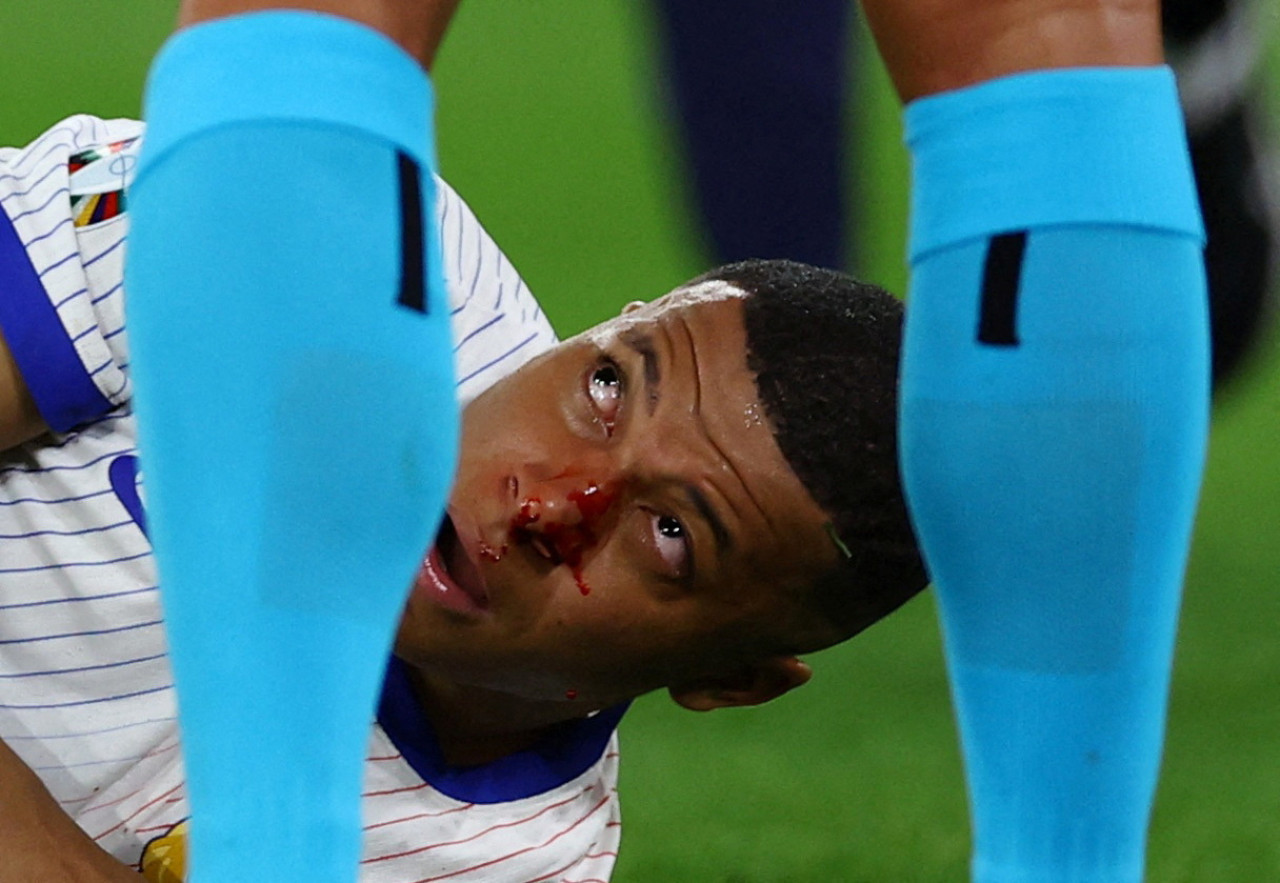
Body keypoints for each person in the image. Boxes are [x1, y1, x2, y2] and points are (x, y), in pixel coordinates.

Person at [0, 111, 926, 881]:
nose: (552, 506)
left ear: (729, 678)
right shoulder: (321, 229)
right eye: (606, 389)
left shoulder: (511, 865)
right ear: (618, 320)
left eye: (674, 531)